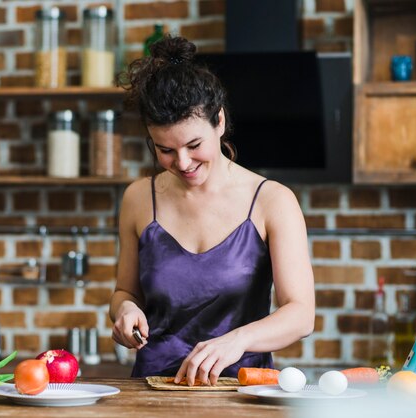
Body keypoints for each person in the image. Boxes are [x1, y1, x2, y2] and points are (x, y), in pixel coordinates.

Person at [109, 35, 315, 386]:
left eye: (194, 145)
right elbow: (124, 293)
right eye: (165, 150)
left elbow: (301, 314)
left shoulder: (272, 201)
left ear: (219, 122)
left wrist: (238, 340)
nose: (183, 162)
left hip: (242, 390)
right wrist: (125, 310)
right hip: (152, 391)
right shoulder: (138, 198)